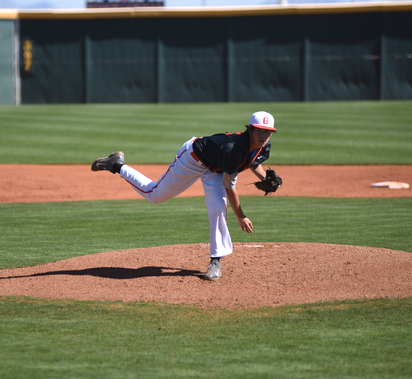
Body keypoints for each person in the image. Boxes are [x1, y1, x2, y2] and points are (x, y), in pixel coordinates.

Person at [91, 111, 277, 281]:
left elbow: (252, 160)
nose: (263, 136)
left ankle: (215, 261)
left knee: (218, 206)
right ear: (250, 130)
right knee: (155, 194)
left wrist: (265, 178)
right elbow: (229, 186)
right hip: (193, 158)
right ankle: (117, 165)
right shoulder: (233, 149)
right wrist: (241, 216)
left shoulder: (263, 146)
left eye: (268, 132)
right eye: (260, 131)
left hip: (216, 167)